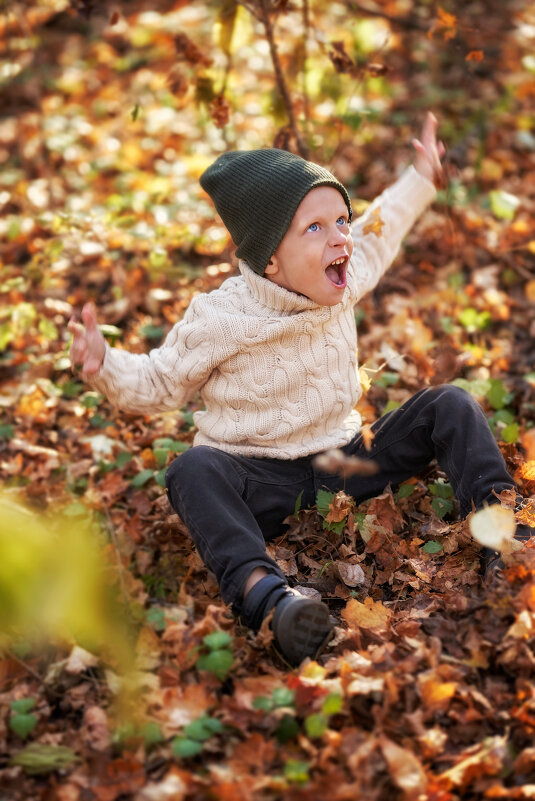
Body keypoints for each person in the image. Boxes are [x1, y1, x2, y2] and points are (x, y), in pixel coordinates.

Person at [69, 114, 532, 666]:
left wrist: (421, 179)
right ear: (269, 258)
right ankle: (267, 599)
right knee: (192, 470)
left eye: (341, 221)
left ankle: (505, 535)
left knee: (448, 404)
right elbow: (158, 382)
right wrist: (104, 365)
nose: (340, 237)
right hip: (257, 478)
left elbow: (381, 229)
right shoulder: (221, 318)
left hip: (344, 461)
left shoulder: (344, 270)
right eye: (315, 228)